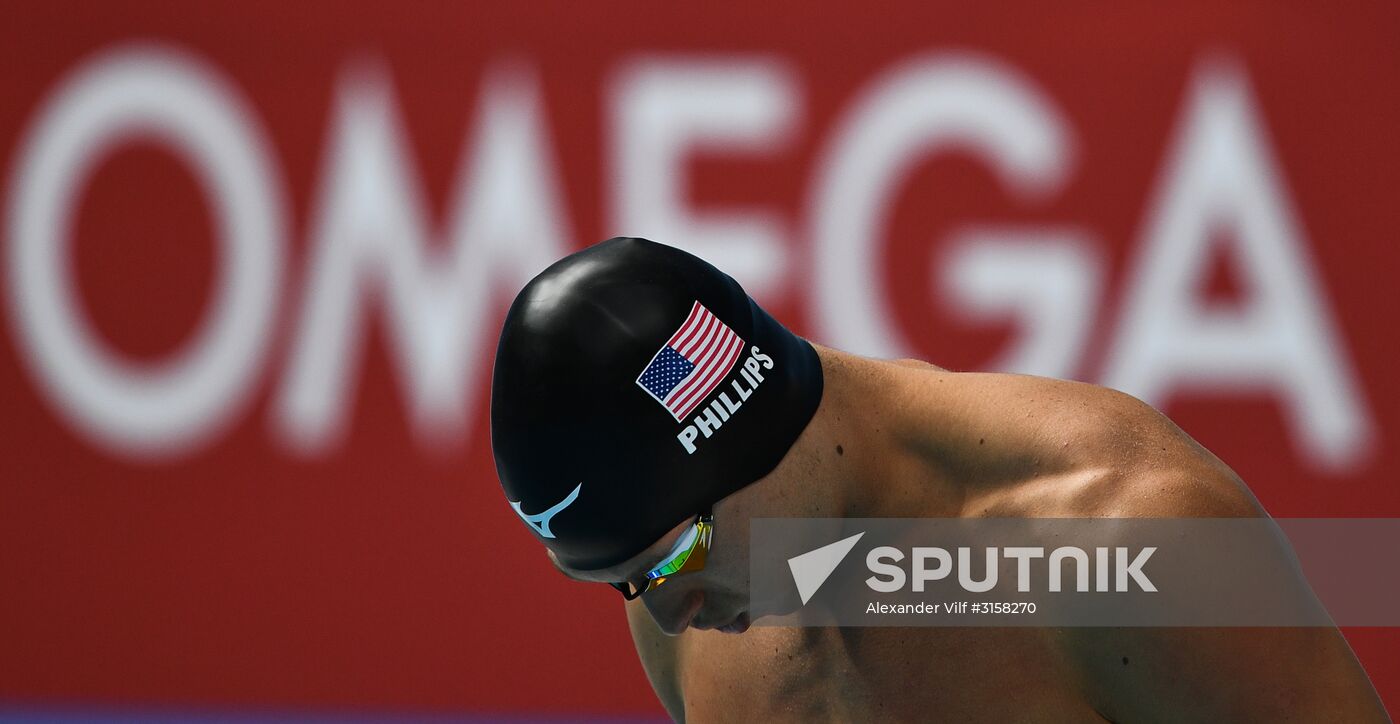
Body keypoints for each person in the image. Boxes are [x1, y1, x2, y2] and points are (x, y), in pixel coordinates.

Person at [491, 237, 1388, 722]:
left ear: (748, 435)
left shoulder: (1119, 535)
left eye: (677, 553)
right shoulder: (698, 609)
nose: (663, 613)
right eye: (621, 582)